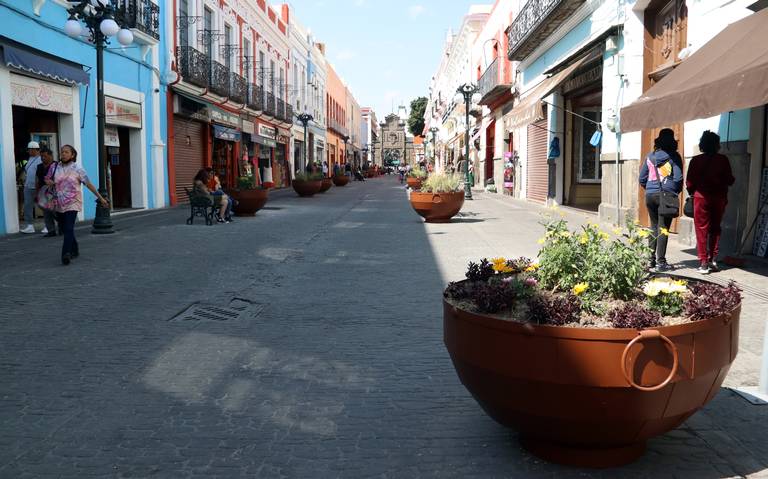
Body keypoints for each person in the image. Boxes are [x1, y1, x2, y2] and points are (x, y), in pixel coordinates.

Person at [45, 145, 109, 265]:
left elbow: (88, 183)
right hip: (59, 201)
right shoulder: (54, 167)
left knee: (69, 227)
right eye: (62, 152)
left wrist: (101, 198)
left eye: (66, 152)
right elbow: (47, 179)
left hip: (73, 202)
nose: (63, 154)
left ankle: (66, 254)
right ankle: (74, 248)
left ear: (72, 155)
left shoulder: (77, 168)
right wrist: (50, 182)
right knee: (64, 228)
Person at [686, 130, 735, 274]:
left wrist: (693, 192)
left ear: (702, 144)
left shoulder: (696, 160)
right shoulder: (723, 160)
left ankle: (703, 262)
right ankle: (713, 259)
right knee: (715, 228)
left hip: (701, 197)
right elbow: (730, 180)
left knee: (701, 229)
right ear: (717, 145)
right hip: (719, 198)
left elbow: (689, 182)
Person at [639, 128, 683, 272]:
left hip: (650, 195)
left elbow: (642, 178)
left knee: (653, 227)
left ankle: (650, 260)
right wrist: (673, 191)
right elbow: (678, 178)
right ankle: (661, 263)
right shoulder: (674, 157)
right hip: (666, 194)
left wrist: (650, 189)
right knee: (663, 228)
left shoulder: (650, 156)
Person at [20, 141, 43, 234]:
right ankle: (30, 225)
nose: (29, 151)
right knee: (27, 206)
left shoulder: (41, 159)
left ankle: (48, 225)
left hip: (38, 186)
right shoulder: (29, 159)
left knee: (44, 206)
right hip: (28, 186)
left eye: (30, 149)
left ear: (35, 150)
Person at [36, 147, 58, 237]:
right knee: (46, 212)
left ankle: (62, 227)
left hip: (54, 191)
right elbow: (37, 180)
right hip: (43, 192)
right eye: (41, 156)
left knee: (55, 211)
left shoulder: (57, 165)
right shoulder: (39, 167)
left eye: (44, 156)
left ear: (50, 156)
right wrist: (37, 192)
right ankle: (51, 230)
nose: (43, 158)